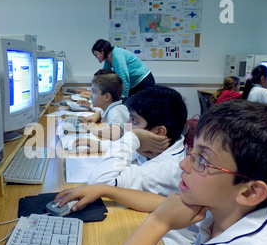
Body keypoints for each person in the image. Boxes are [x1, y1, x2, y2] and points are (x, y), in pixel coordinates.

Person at [89, 100, 267, 245]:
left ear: (250, 192)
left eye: (202, 160)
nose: (184, 165)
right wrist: (105, 190)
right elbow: (165, 204)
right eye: (192, 151)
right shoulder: (232, 207)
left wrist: (157, 222)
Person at [57, 86, 187, 212]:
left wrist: (133, 137)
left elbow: (100, 182)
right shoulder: (163, 145)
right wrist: (102, 145)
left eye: (134, 121)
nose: (127, 127)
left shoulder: (160, 170)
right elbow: (136, 151)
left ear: (159, 132)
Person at [78, 72, 129, 141]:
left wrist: (91, 128)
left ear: (107, 97)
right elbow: (100, 113)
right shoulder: (113, 108)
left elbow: (115, 133)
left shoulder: (114, 111)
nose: (90, 96)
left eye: (94, 92)